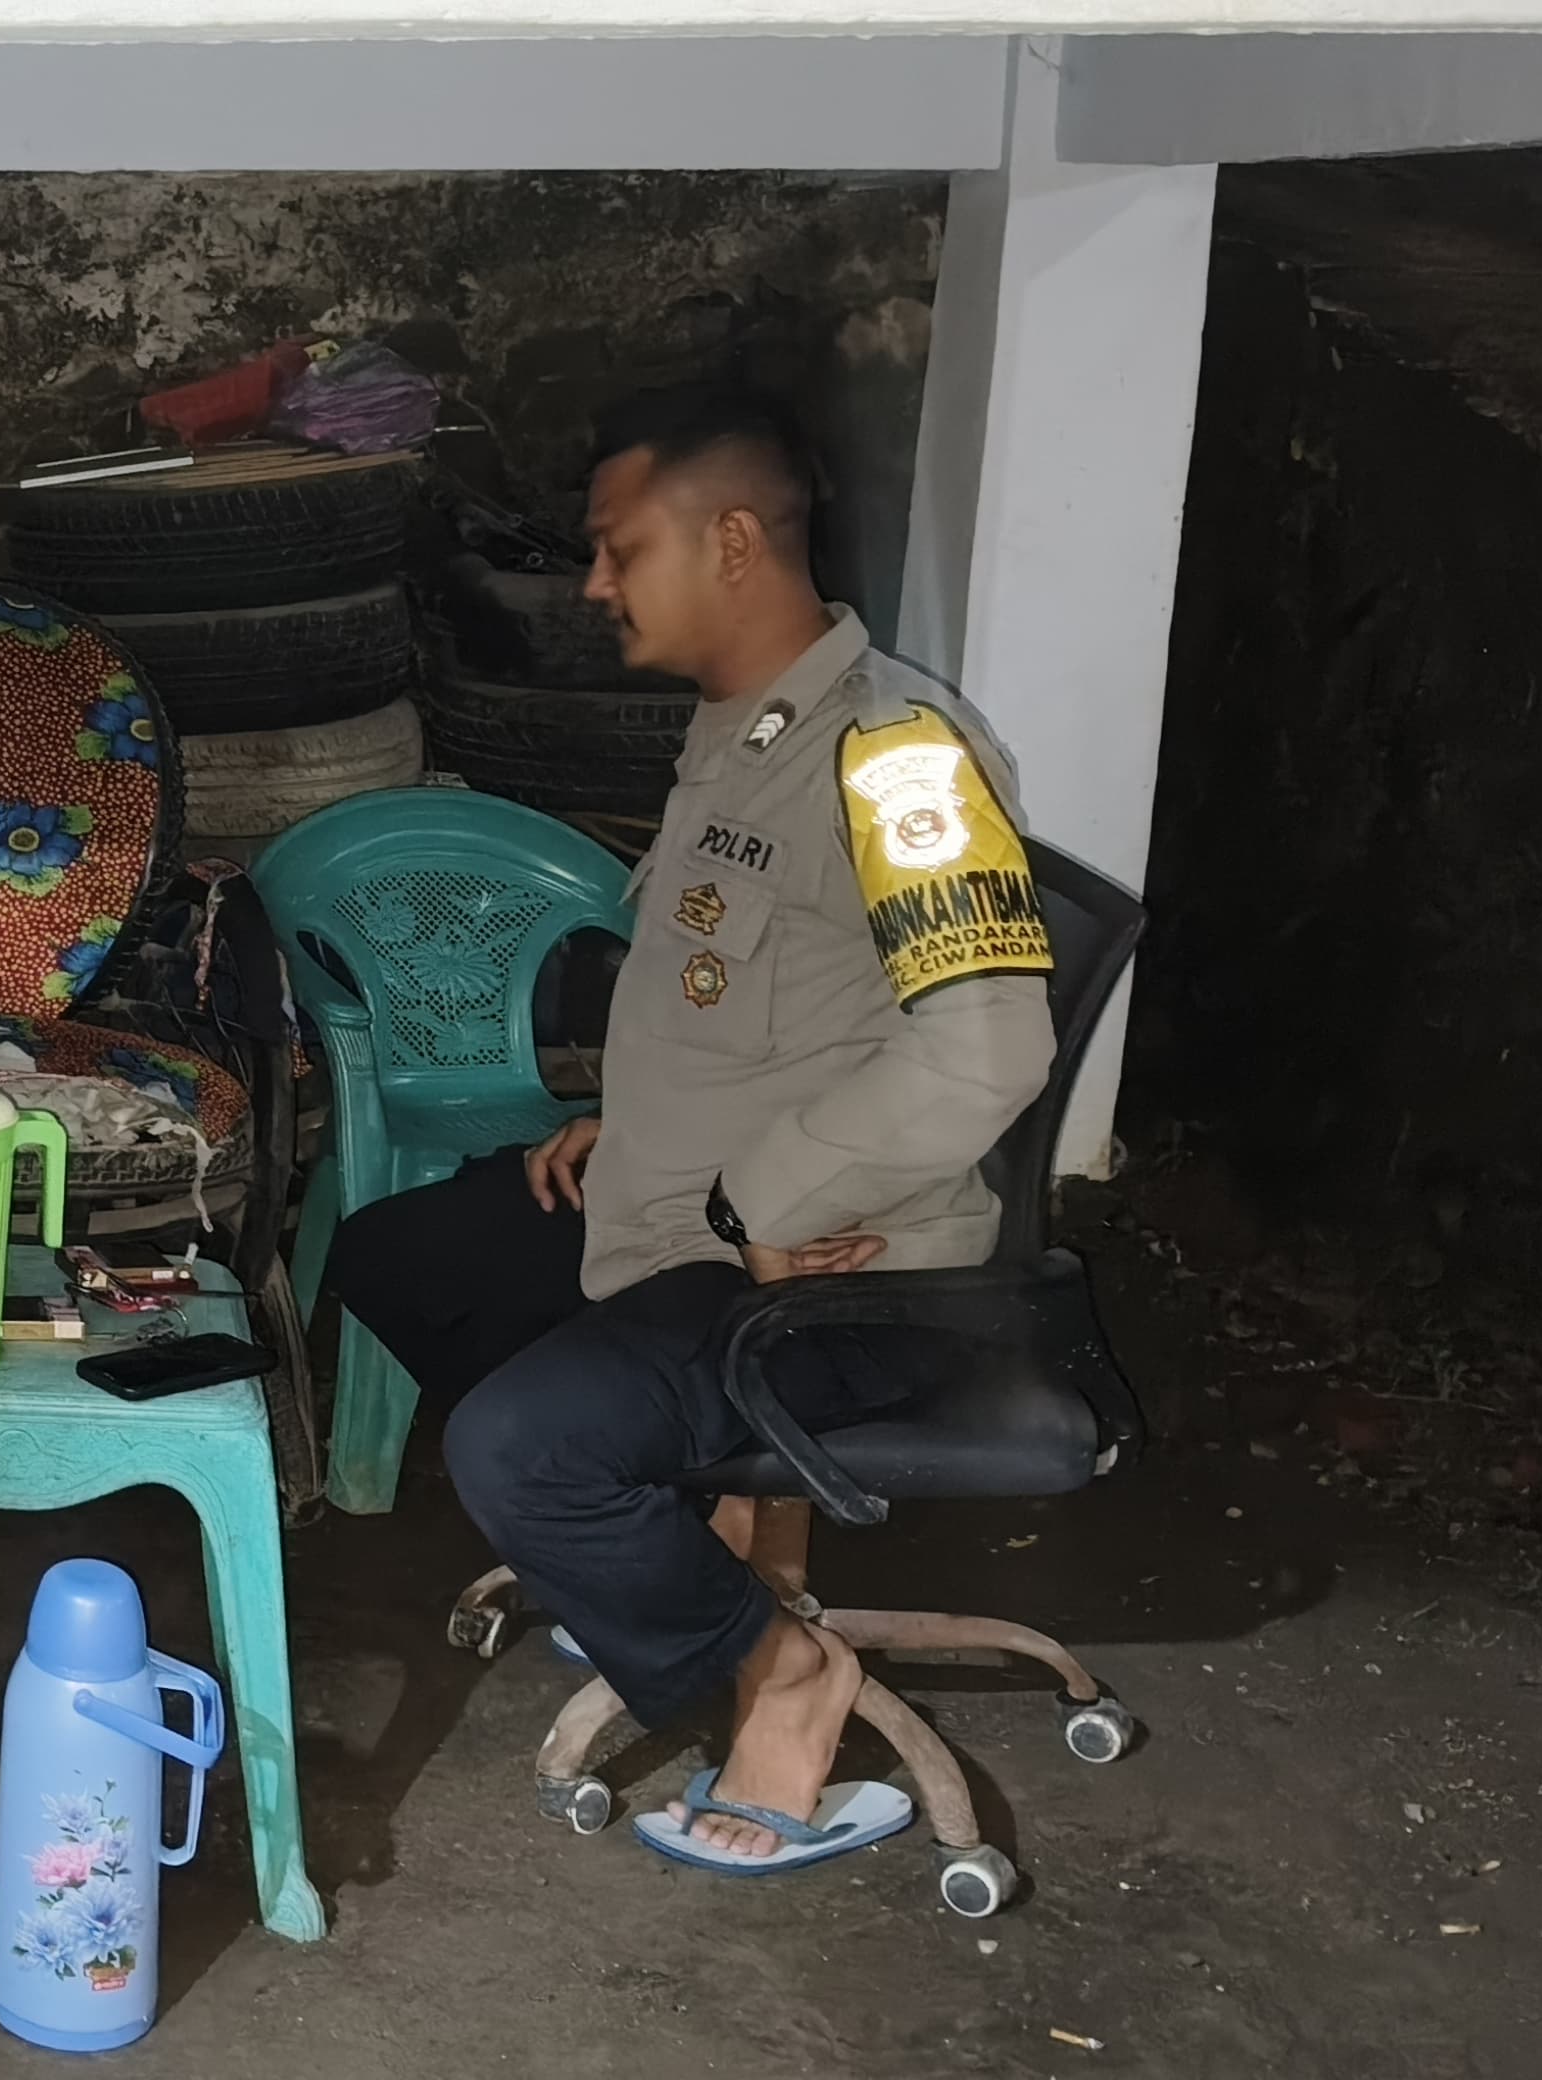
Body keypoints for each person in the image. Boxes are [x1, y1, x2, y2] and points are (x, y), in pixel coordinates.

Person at [322, 387, 1056, 1873]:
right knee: (398, 1257)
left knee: (518, 1450)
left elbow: (988, 1045)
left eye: (620, 547)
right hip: (689, 1208)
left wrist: (761, 1199)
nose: (595, 585)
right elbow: (768, 993)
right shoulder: (745, 729)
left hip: (835, 1265)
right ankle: (671, 1567)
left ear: (730, 542)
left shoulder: (895, 756)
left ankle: (782, 1675)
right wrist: (633, 1118)